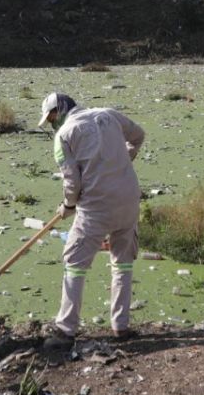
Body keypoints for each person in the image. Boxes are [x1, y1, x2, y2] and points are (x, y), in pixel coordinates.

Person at [38, 92, 146, 346]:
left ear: (61, 109)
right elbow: (138, 135)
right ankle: (121, 327)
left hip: (96, 207)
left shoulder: (63, 136)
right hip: (129, 199)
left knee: (74, 261)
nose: (52, 122)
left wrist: (68, 205)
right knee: (122, 262)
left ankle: (66, 329)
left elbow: (72, 181)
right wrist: (123, 162)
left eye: (52, 116)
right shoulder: (109, 114)